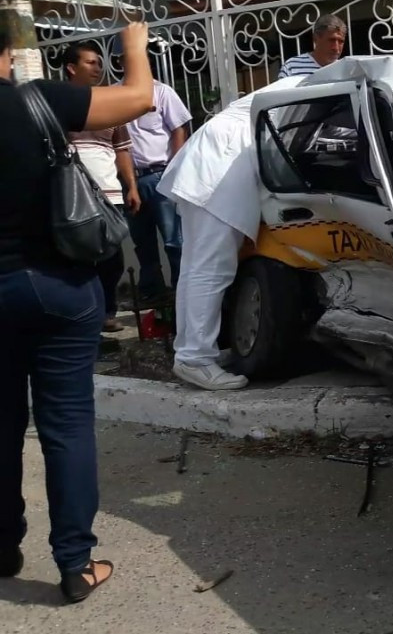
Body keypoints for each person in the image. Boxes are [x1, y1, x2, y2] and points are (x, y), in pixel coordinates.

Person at [0, 22, 154, 602]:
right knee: (65, 428)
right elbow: (138, 99)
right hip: (57, 288)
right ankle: (74, 565)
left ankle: (2, 545)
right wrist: (132, 44)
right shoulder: (39, 101)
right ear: (8, 52)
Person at [158, 75, 307, 391]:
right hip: (221, 164)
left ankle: (193, 353)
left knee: (196, 268)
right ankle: (195, 359)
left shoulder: (308, 83)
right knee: (210, 270)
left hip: (215, 160)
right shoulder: (318, 88)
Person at [63, 41, 141, 333]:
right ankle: (85, 315)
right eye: (90, 63)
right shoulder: (59, 102)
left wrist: (131, 186)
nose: (97, 68)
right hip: (73, 196)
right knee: (78, 259)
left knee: (112, 259)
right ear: (72, 68)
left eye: (99, 62)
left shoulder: (111, 101)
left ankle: (107, 312)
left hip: (109, 195)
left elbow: (122, 150)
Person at [125, 75, 192, 305]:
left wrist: (174, 170)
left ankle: (181, 292)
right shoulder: (115, 95)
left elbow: (178, 129)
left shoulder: (162, 91)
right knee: (143, 242)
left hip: (160, 174)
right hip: (131, 179)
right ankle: (152, 292)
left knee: (174, 240)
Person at [278, 15, 346, 79]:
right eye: (331, 40)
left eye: (341, 41)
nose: (336, 48)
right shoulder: (291, 67)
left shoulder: (346, 70)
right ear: (316, 38)